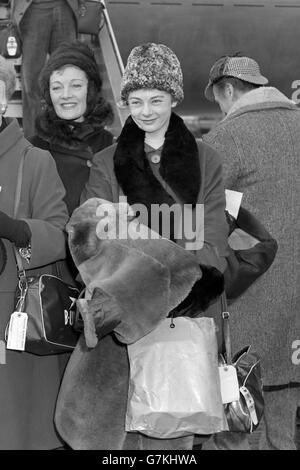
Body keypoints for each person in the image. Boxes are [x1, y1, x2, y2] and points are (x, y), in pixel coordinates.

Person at [54, 42, 229, 450]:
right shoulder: (107, 161)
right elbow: (87, 236)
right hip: (121, 319)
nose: (146, 111)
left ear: (174, 98)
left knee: (174, 435)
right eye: (136, 100)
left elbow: (214, 242)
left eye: (157, 99)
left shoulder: (207, 161)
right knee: (118, 436)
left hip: (181, 315)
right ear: (125, 101)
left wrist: (169, 280)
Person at [202, 54, 300, 450]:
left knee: (240, 434)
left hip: (246, 315)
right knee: (285, 430)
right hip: (295, 323)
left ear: (227, 90)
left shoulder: (228, 137)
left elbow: (199, 216)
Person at [0, 55, 70, 449]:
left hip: (15, 326)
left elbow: (62, 235)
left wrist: (15, 229)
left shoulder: (34, 160)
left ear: (4, 96)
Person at [30, 40, 114, 275]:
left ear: (92, 89)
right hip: (50, 272)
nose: (65, 95)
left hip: (101, 271)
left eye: (75, 85)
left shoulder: (113, 146)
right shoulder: (33, 148)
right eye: (57, 87)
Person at [12, 0, 80, 137]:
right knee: (30, 82)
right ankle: (32, 141)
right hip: (34, 9)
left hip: (64, 7)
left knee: (69, 77)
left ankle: (67, 138)